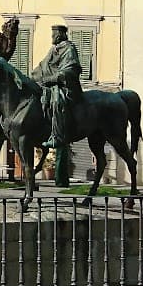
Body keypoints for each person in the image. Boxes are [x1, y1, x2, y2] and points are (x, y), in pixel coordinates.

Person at [32, 25, 84, 185]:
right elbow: (42, 66)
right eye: (52, 34)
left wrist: (54, 78)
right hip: (50, 85)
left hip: (65, 87)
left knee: (56, 101)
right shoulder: (53, 49)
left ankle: (57, 134)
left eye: (54, 34)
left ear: (61, 35)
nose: (52, 37)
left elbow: (71, 70)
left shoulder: (69, 49)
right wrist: (31, 78)